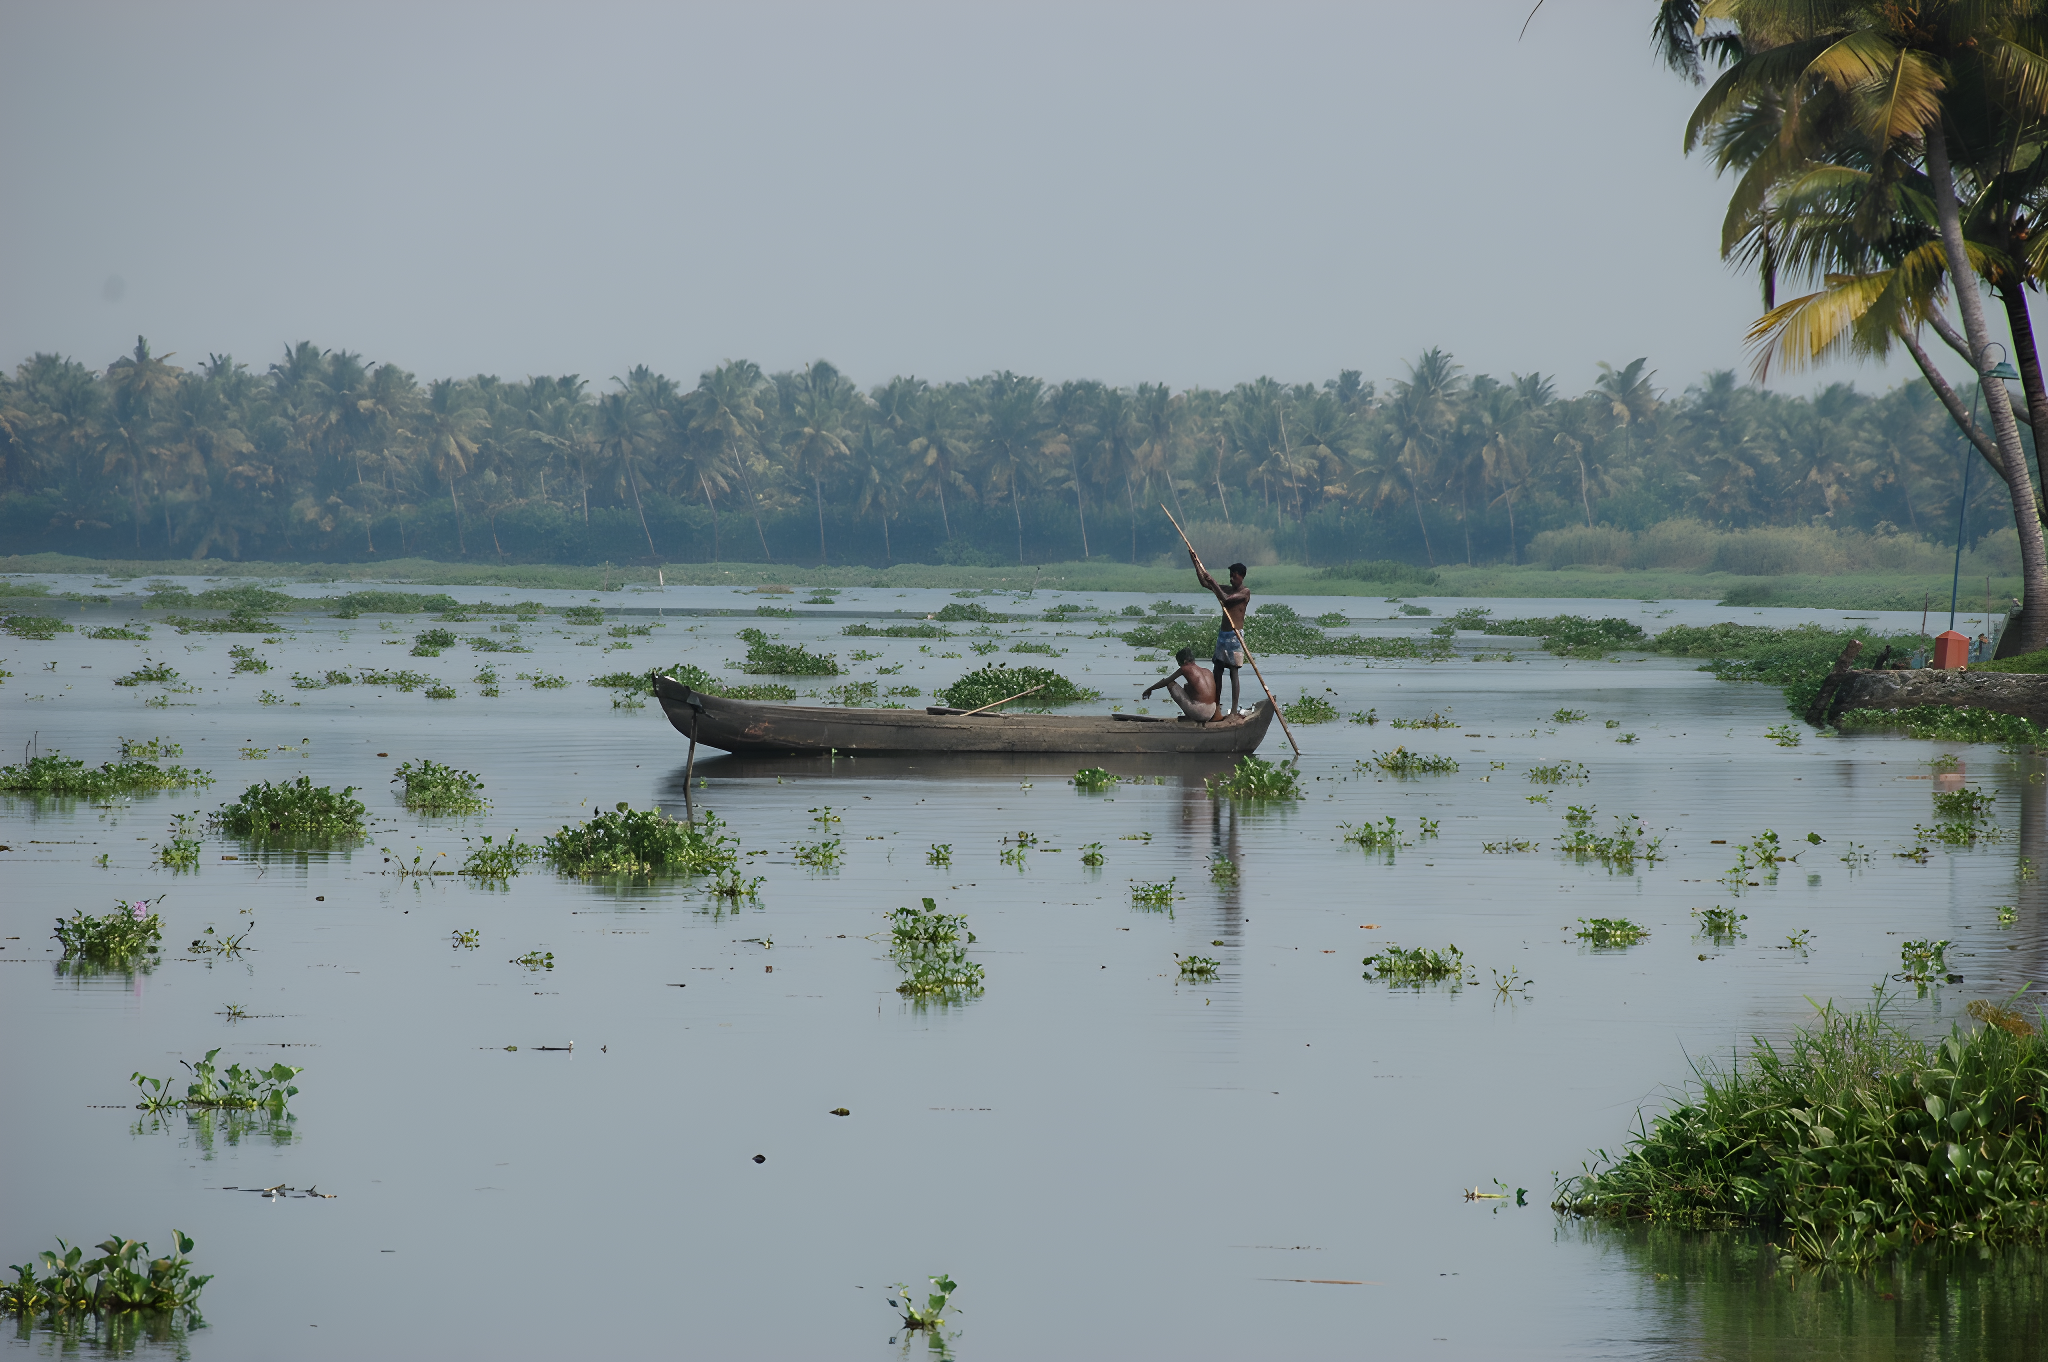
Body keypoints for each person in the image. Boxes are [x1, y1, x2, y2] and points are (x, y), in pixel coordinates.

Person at [1191, 552, 1250, 713]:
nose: (1231, 579)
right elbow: (1204, 583)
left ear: (1241, 576)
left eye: (1234, 576)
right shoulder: (1228, 588)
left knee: (1233, 672)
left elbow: (1226, 599)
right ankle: (1216, 706)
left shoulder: (1245, 592)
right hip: (1223, 635)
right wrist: (1195, 561)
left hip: (1234, 636)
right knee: (1217, 669)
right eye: (1230, 576)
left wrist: (1214, 582)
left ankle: (1234, 709)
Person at [1142, 647, 1220, 721]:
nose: (1179, 665)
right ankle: (1191, 715)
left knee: (1170, 684)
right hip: (1211, 711)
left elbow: (1166, 681)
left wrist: (1150, 689)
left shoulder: (1185, 668)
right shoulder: (1207, 671)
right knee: (1187, 686)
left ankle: (1189, 717)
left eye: (1179, 663)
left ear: (1185, 661)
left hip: (1199, 712)